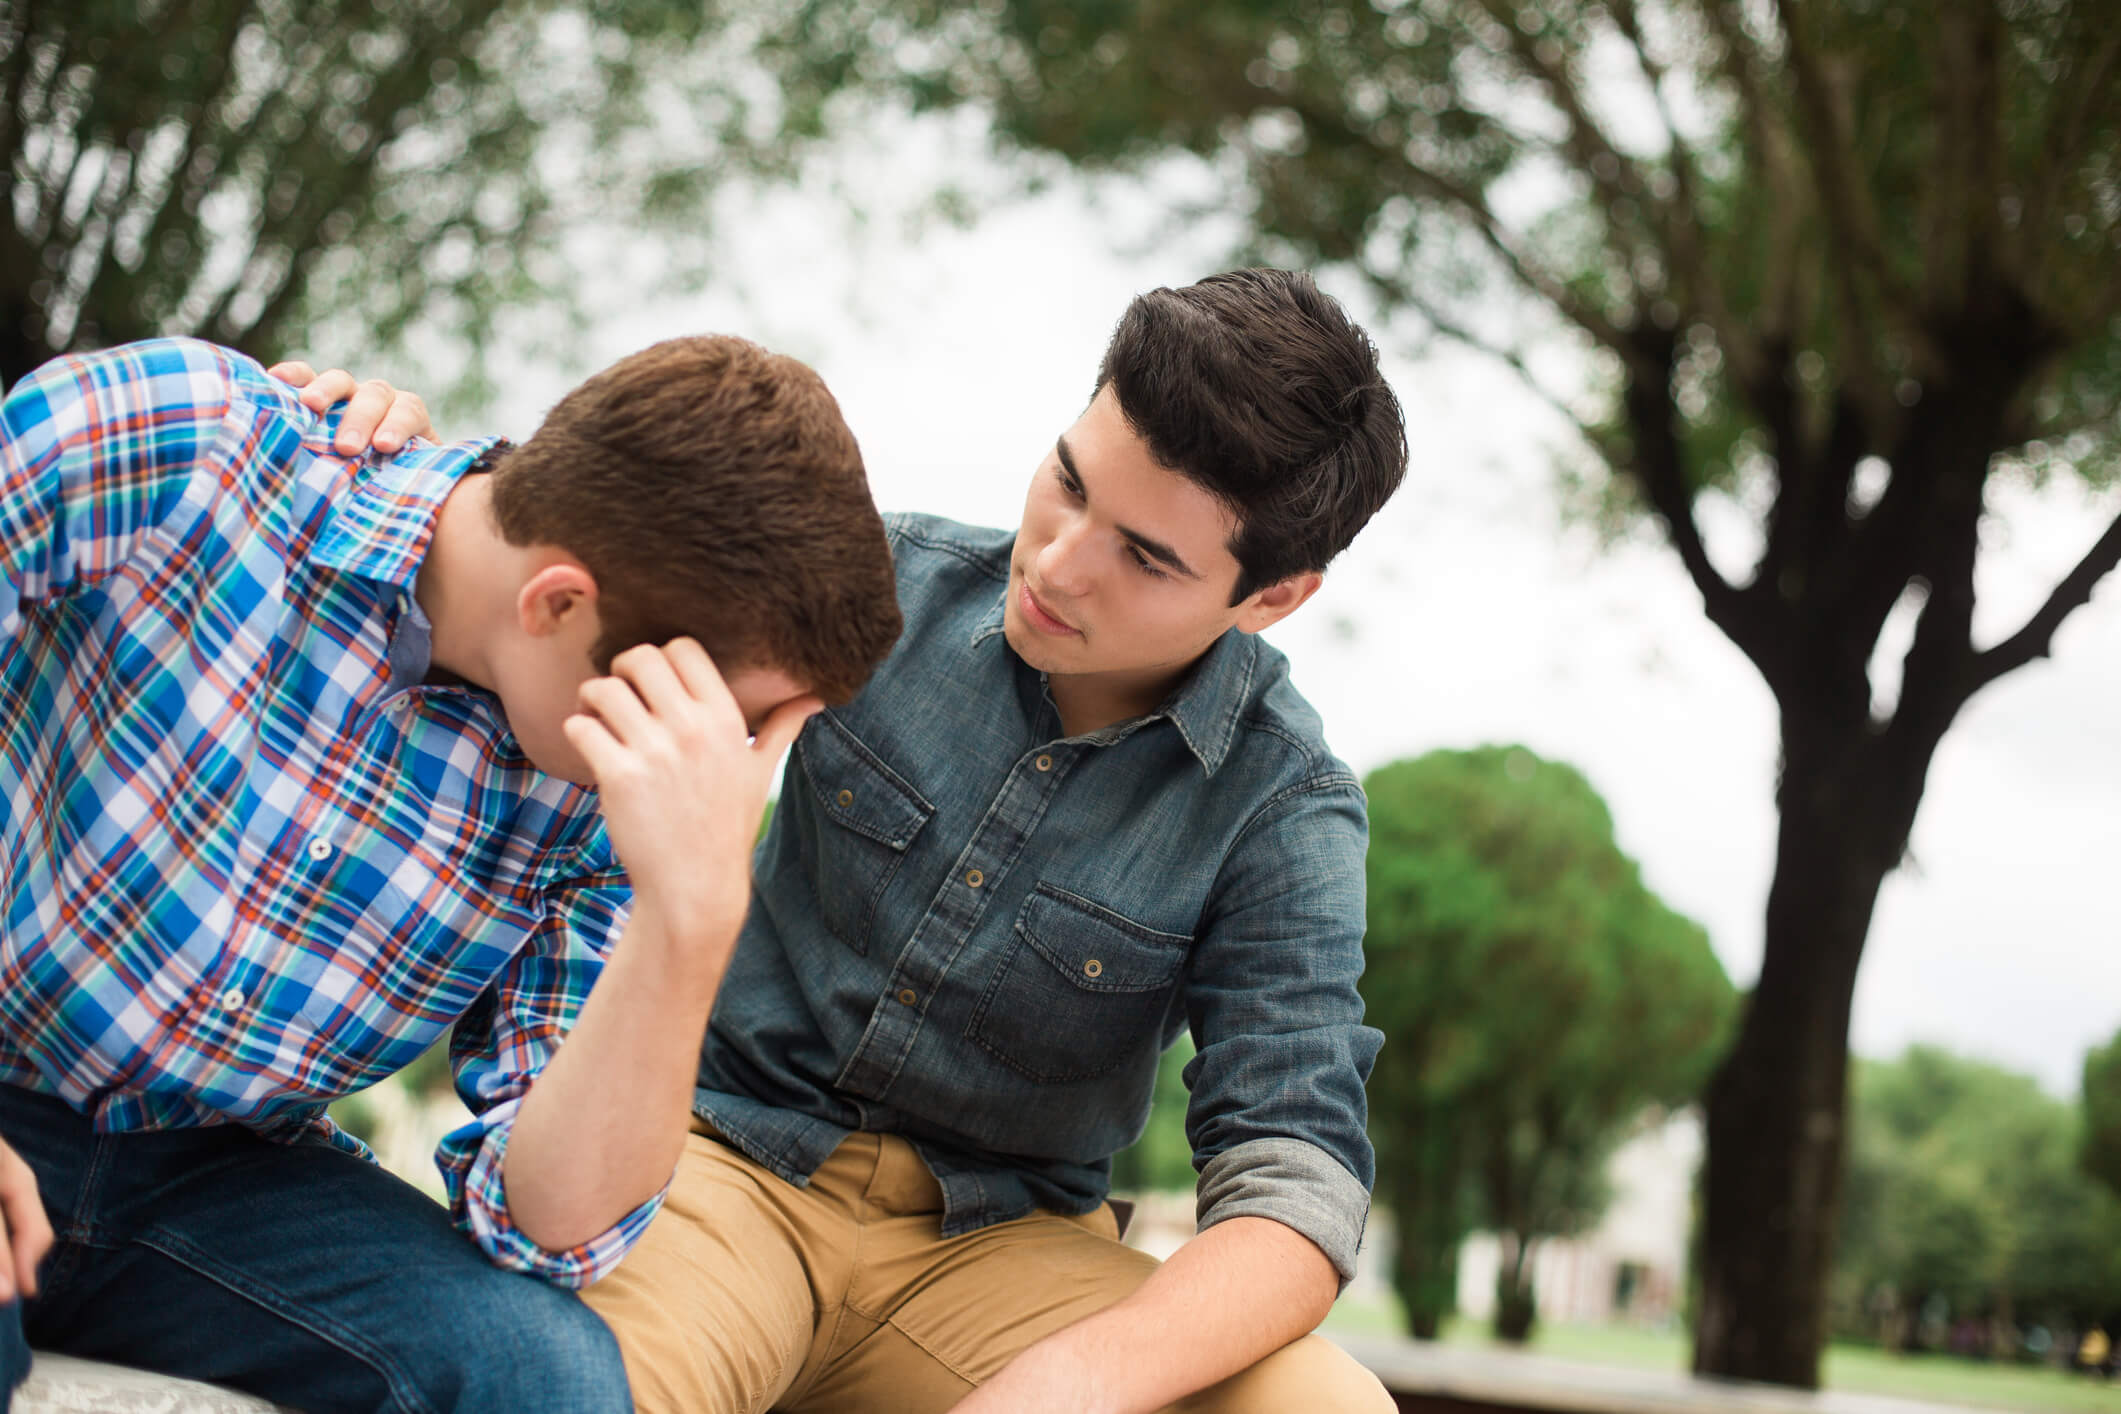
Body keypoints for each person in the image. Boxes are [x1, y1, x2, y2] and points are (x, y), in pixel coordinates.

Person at [308, 267, 1405, 1412]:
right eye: (1069, 484)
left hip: (999, 1252)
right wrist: (437, 483)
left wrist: (1075, 1381)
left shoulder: (1283, 804)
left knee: (1328, 1408)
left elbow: (1296, 1176)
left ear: (1273, 598)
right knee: (546, 1384)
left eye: (1146, 556)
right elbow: (569, 579)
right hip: (716, 1171)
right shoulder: (881, 587)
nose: (1061, 562)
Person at [0, 333, 902, 1411]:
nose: (730, 764)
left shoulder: (629, 797)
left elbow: (552, 1230)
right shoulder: (179, 438)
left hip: (224, 1176)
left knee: (547, 1377)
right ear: (559, 605)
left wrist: (692, 915)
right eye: (738, 715)